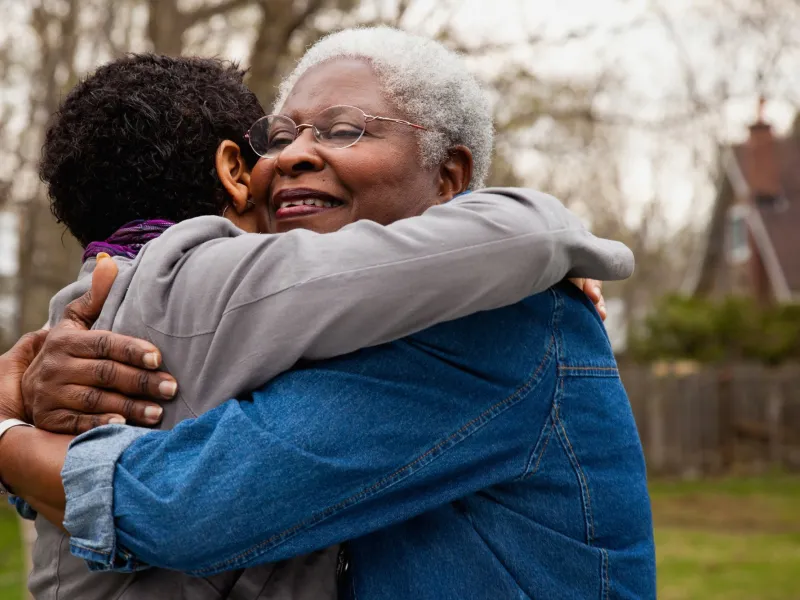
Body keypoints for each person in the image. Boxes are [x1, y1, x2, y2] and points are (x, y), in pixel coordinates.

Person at [0, 27, 654, 600]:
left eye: (343, 130)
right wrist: (37, 386)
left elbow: (187, 505)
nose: (291, 156)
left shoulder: (502, 319)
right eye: (280, 137)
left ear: (451, 178)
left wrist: (7, 437)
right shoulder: (318, 325)